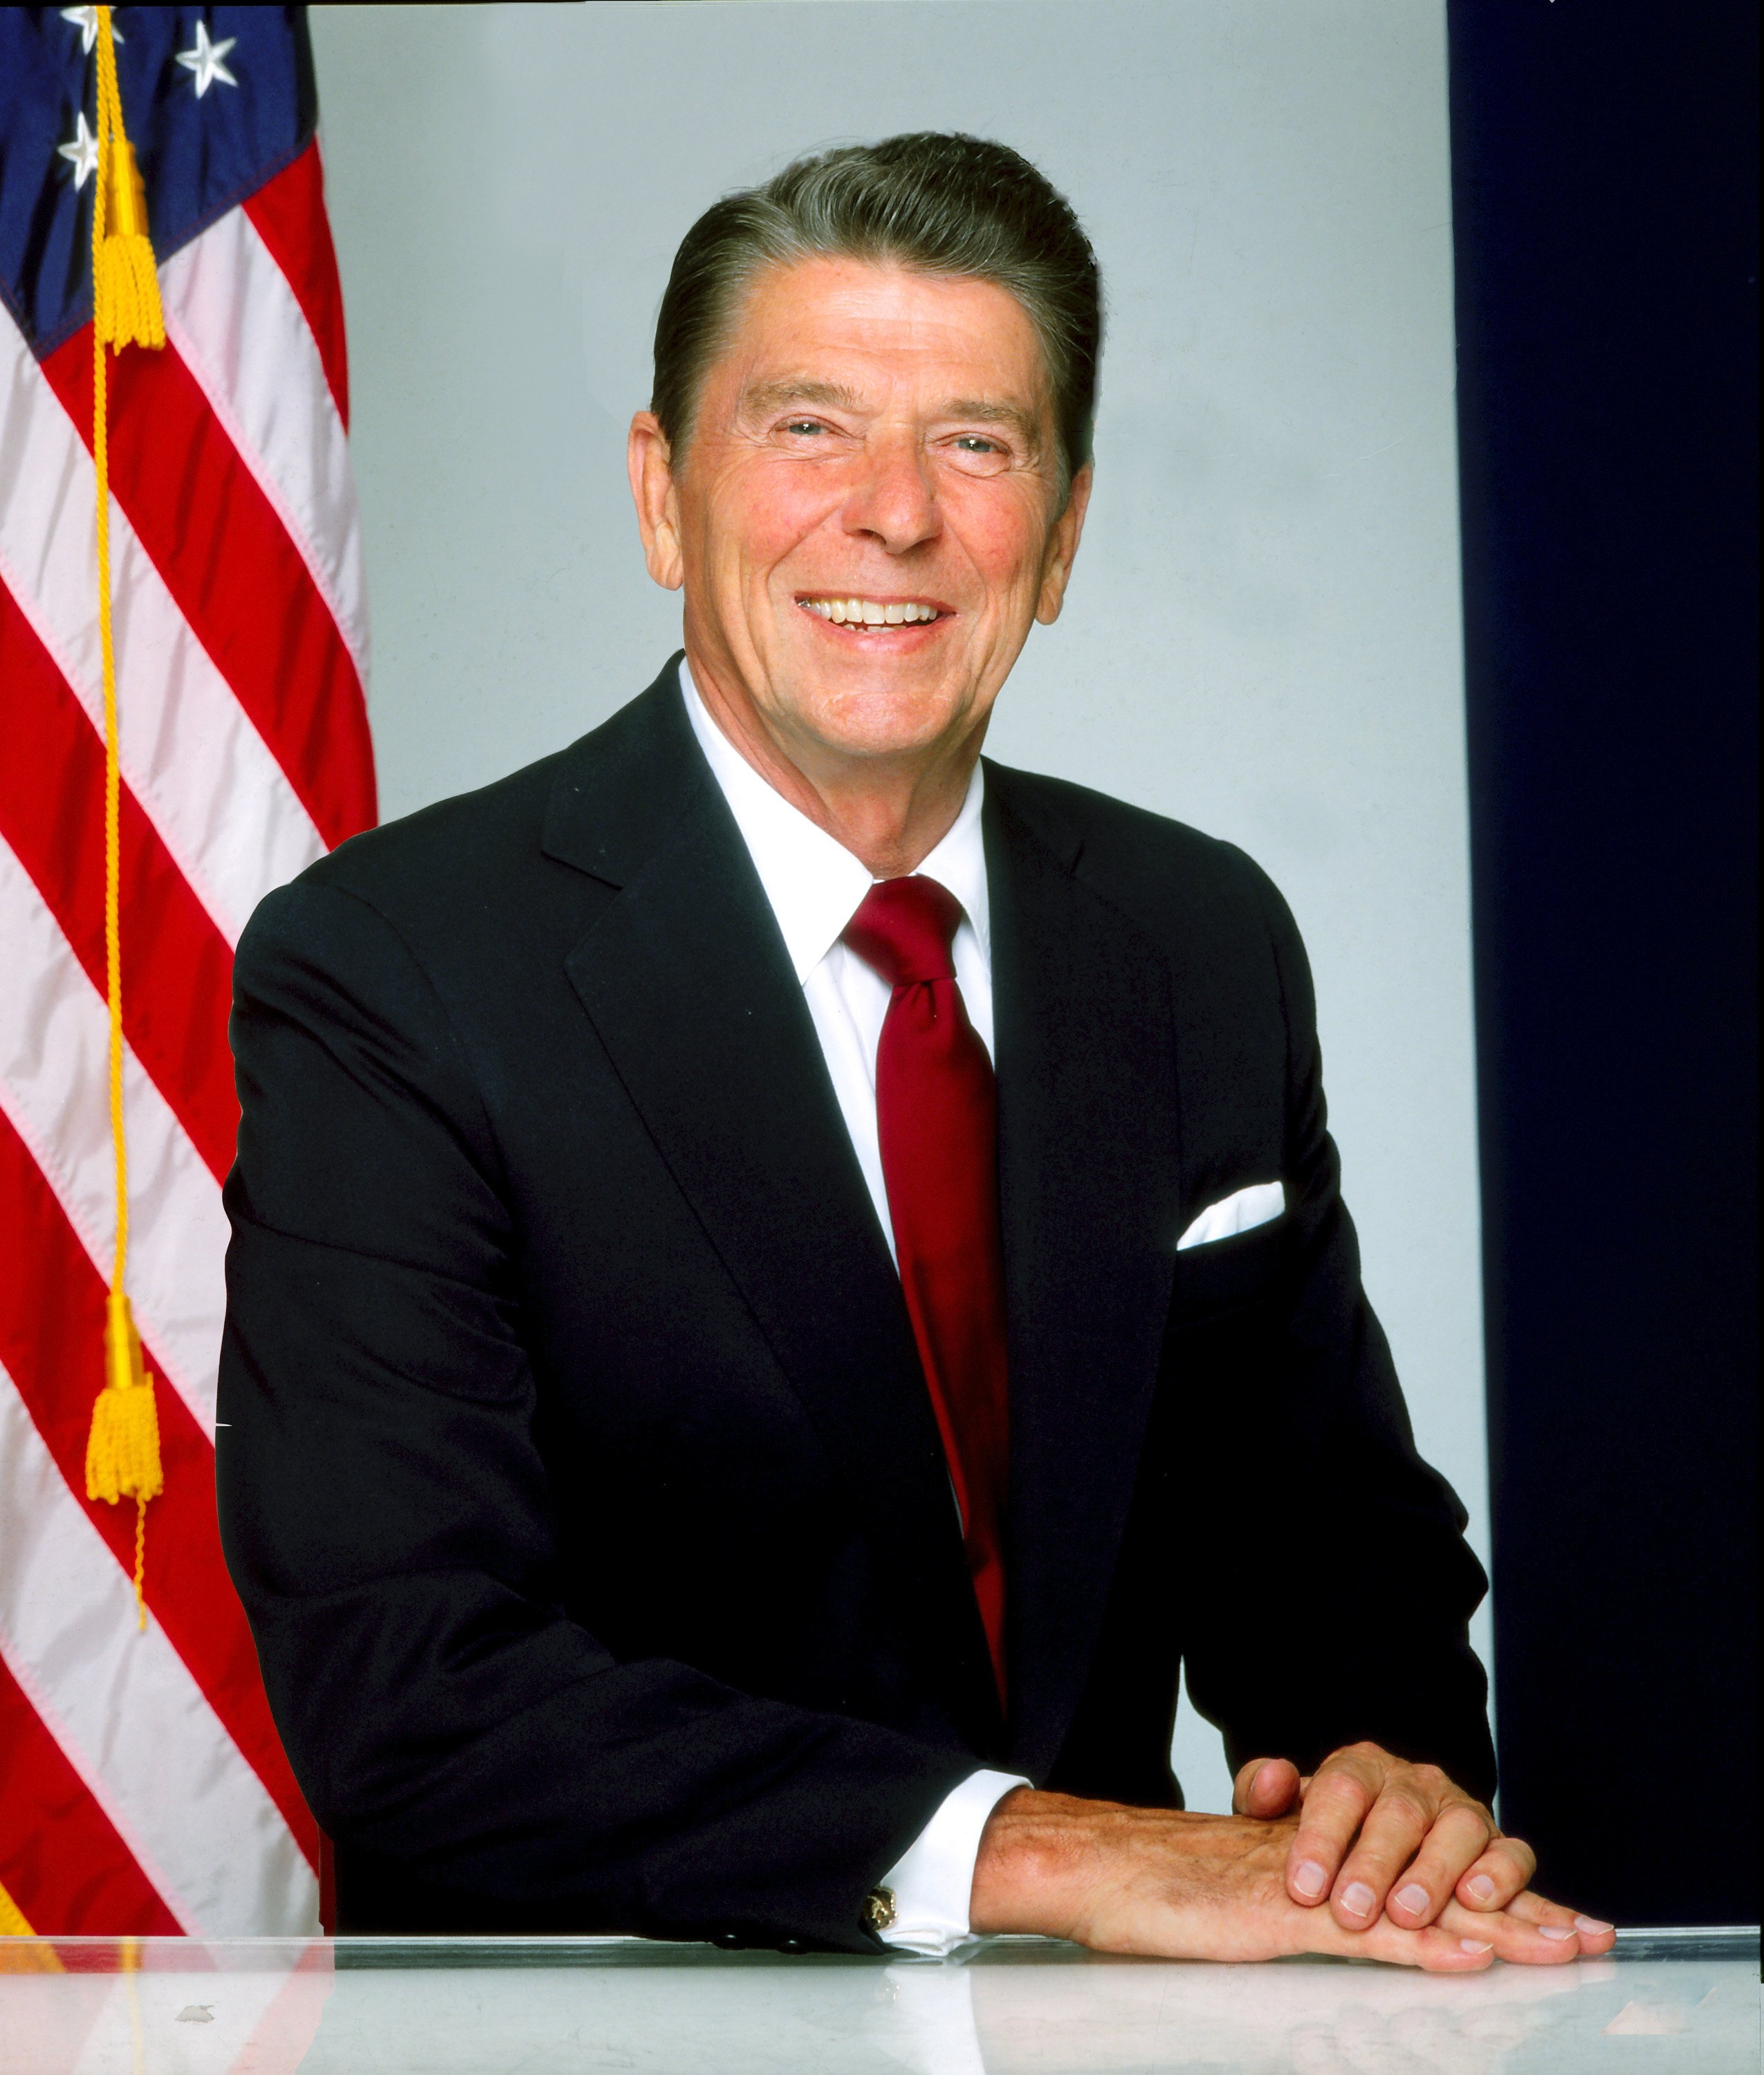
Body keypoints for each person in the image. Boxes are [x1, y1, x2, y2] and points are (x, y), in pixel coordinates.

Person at [219, 133, 1613, 1969]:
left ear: (1062, 532)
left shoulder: (1196, 940)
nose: (893, 516)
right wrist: (1043, 1854)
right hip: (615, 2028)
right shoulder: (394, 966)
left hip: (1111, 2032)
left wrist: (1383, 1780)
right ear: (660, 496)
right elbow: (415, 1682)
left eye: (978, 442)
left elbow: (1328, 1540)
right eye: (807, 429)